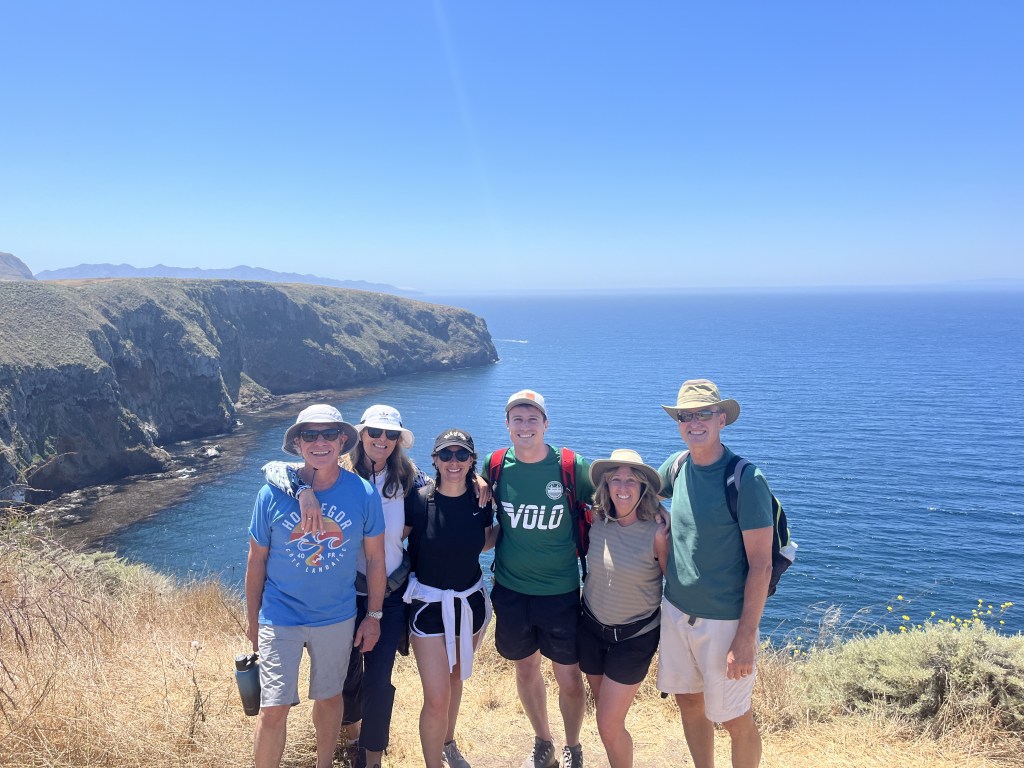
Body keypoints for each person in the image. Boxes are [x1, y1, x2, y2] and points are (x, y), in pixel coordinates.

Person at [262, 404, 490, 768]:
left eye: (390, 435)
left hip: (391, 594)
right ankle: (352, 735)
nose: (382, 440)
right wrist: (303, 489)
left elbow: (444, 485)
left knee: (379, 681)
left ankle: (371, 757)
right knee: (346, 677)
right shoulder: (334, 472)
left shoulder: (408, 477)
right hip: (343, 593)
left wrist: (476, 478)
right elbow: (274, 468)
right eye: (375, 432)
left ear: (398, 441)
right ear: (360, 435)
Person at [245, 404, 386, 768]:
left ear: (342, 439)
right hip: (280, 615)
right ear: (298, 441)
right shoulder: (271, 494)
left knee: (329, 698)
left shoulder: (363, 493)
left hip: (336, 617)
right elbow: (256, 559)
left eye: (328, 434)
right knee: (272, 707)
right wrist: (252, 619)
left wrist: (373, 615)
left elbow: (374, 559)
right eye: (310, 434)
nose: (319, 442)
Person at [655, 379, 774, 768]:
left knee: (734, 717)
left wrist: (745, 638)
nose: (694, 422)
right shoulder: (677, 466)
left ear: (721, 419)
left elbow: (761, 565)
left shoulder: (745, 478)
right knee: (689, 702)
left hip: (724, 622)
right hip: (675, 612)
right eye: (685, 416)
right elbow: (637, 492)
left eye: (703, 413)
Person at [484, 389, 594, 768]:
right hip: (511, 590)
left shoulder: (570, 466)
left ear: (546, 424)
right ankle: (543, 740)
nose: (525, 426)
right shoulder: (495, 464)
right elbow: (479, 507)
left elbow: (612, 502)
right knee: (526, 667)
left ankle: (573, 745)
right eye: (518, 419)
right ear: (508, 425)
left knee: (569, 677)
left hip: (560, 590)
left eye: (533, 419)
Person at [402, 428, 497, 768]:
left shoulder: (481, 499)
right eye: (446, 455)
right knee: (437, 696)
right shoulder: (418, 499)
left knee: (456, 678)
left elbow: (485, 542)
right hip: (427, 607)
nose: (453, 462)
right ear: (435, 460)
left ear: (472, 460)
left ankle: (448, 742)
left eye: (461, 455)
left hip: (469, 603)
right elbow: (394, 540)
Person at [579, 450, 665, 768]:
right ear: (607, 485)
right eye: (617, 479)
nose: (623, 486)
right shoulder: (597, 520)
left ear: (643, 487)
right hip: (591, 629)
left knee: (608, 723)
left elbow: (675, 585)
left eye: (631, 479)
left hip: (634, 637)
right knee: (605, 715)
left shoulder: (658, 532)